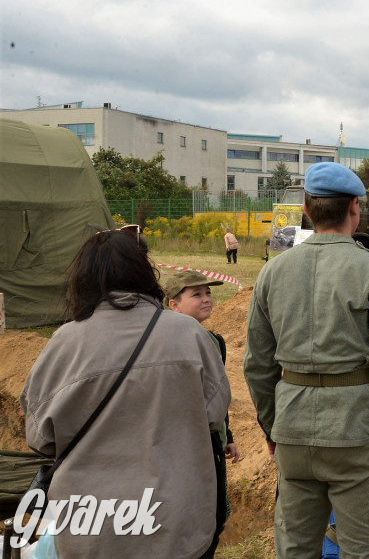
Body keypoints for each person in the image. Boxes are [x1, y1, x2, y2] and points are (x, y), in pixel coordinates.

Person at [244, 162, 369, 558]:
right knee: (364, 549)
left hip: (292, 428)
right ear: (355, 208)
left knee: (295, 549)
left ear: (307, 209)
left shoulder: (273, 272)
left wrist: (273, 426)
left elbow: (256, 365)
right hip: (358, 432)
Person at [20, 228, 231, 558]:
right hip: (175, 524)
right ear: (144, 271)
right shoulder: (189, 335)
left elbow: (41, 437)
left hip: (91, 525)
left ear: (84, 279)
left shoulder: (64, 342)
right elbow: (214, 415)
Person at [164, 270, 241, 556]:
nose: (206, 299)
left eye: (208, 293)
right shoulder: (166, 343)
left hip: (212, 442)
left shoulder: (214, 341)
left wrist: (228, 435)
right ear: (174, 305)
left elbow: (217, 394)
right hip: (183, 444)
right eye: (196, 294)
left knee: (215, 514)